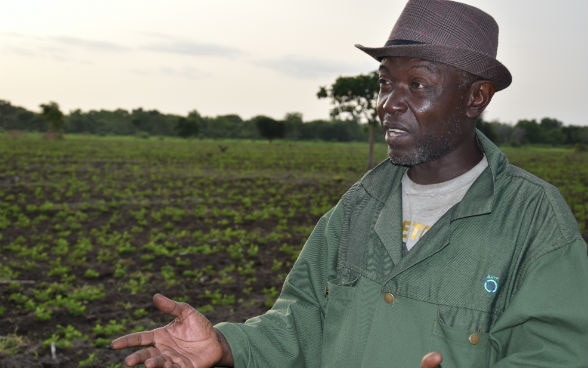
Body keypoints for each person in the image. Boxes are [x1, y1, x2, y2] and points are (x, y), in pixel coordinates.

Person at [112, 0, 588, 367]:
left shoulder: (533, 220)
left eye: (417, 85)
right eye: (385, 83)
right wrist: (227, 344)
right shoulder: (358, 208)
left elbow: (559, 351)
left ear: (475, 97)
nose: (387, 104)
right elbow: (302, 321)